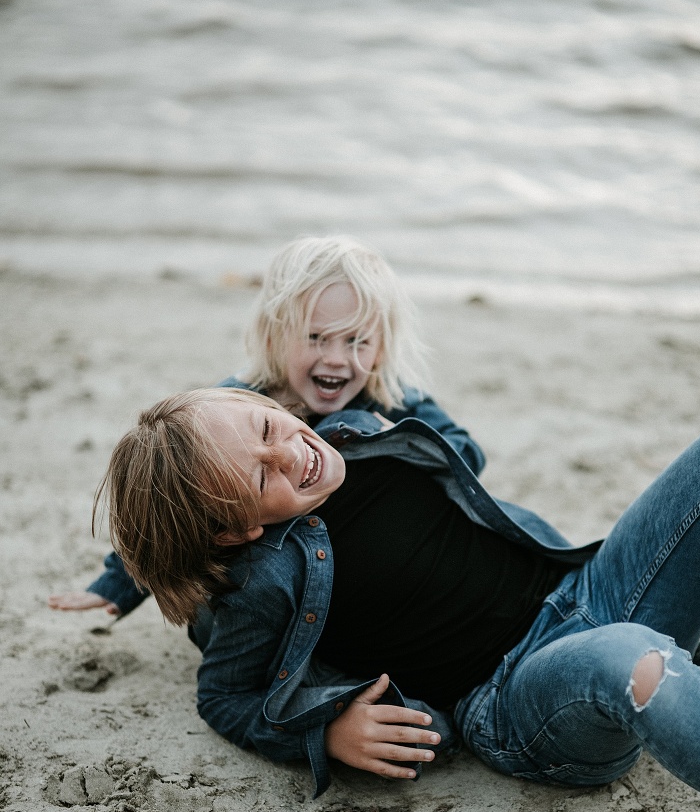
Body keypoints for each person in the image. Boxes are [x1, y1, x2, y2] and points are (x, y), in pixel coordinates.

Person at [92, 388, 700, 812]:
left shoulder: (357, 433)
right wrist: (321, 733)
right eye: (262, 473)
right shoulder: (263, 579)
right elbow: (223, 696)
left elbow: (432, 424)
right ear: (238, 530)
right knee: (638, 660)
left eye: (270, 425)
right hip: (521, 697)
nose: (291, 452)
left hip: (590, 589)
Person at [48, 235, 484, 618]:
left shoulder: (391, 398)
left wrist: (396, 442)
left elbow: (468, 454)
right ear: (276, 335)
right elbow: (174, 502)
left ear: (381, 347)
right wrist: (117, 585)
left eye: (356, 340)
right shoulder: (239, 406)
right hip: (258, 573)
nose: (336, 357)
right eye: (316, 337)